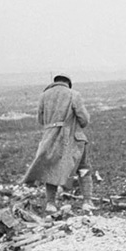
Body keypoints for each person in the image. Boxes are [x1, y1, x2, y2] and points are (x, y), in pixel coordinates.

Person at [23, 74, 94, 213]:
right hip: (73, 138)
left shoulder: (43, 95)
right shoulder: (74, 94)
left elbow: (40, 120)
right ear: (68, 83)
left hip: (50, 138)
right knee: (83, 168)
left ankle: (50, 203)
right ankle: (87, 201)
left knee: (51, 168)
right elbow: (84, 120)